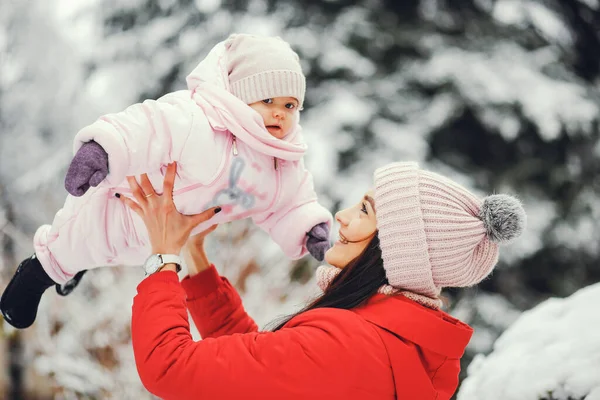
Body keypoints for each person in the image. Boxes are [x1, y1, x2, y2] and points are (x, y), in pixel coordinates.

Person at [0, 33, 333, 329]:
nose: (279, 113)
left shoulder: (283, 159)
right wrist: (101, 149)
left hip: (165, 239)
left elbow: (292, 201)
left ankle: (77, 267)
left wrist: (309, 228)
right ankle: (34, 277)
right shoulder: (199, 120)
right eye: (268, 101)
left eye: (289, 105)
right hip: (121, 209)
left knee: (103, 258)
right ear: (239, 98)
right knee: (72, 247)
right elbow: (147, 126)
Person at [124, 161, 526, 400]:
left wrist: (164, 258)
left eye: (366, 212)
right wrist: (193, 258)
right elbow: (262, 364)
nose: (343, 217)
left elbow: (169, 364)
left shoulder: (346, 344)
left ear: (398, 248)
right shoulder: (396, 346)